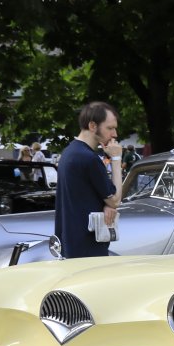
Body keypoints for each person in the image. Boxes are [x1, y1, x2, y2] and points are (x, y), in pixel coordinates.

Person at [54, 101, 123, 258]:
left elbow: (88, 195)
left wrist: (106, 204)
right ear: (92, 126)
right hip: (87, 249)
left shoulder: (69, 153)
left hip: (71, 245)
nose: (115, 134)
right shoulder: (89, 158)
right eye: (110, 128)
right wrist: (116, 159)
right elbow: (115, 200)